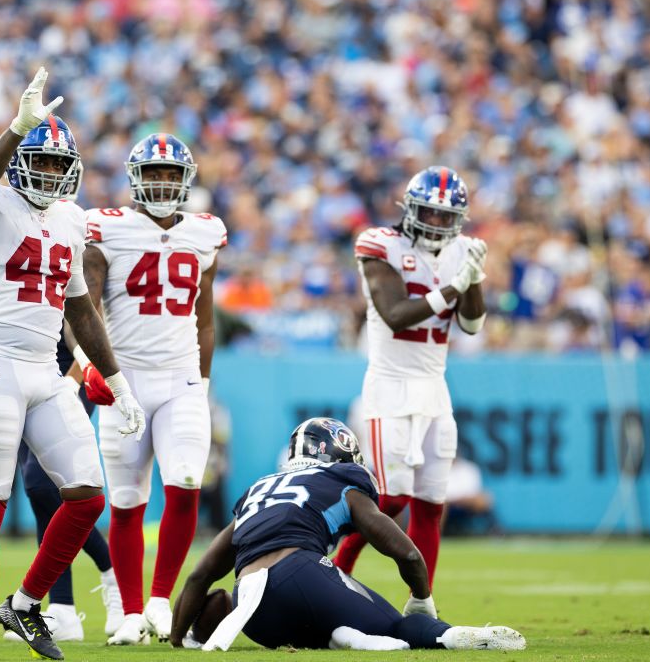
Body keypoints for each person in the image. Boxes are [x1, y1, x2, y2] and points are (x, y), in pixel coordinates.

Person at [0, 67, 146, 662]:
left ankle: (25, 605)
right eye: (43, 161)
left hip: (44, 370)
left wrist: (121, 385)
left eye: (61, 165)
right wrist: (14, 129)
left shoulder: (71, 219)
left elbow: (81, 310)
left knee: (86, 498)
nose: (53, 173)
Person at [168, 418, 525, 652]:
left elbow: (200, 575)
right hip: (301, 573)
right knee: (400, 627)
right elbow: (407, 552)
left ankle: (341, 636)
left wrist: (176, 639)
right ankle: (451, 636)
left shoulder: (257, 489)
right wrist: (422, 598)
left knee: (317, 626)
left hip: (255, 613)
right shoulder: (342, 481)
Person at [71, 132, 226, 645]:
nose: (162, 182)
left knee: (185, 483)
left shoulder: (205, 233)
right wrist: (88, 363)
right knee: (127, 498)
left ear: (185, 181)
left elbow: (205, 320)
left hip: (181, 378)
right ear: (135, 179)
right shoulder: (108, 229)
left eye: (170, 174)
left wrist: (202, 382)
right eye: (153, 173)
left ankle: (160, 600)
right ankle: (131, 611)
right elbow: (85, 303)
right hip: (127, 379)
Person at [332, 166, 488, 611]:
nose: (437, 224)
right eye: (430, 214)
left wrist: (472, 279)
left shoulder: (462, 252)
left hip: (434, 388)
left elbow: (472, 324)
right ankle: (338, 567)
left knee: (430, 503)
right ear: (411, 209)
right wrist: (453, 287)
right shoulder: (380, 244)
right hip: (390, 386)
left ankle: (422, 603)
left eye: (446, 216)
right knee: (392, 499)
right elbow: (396, 314)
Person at [1, 328, 125, 643]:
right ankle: (62, 609)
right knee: (40, 495)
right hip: (25, 374)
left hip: (69, 374)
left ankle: (113, 572)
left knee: (43, 484)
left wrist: (73, 380)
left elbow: (85, 323)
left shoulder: (69, 277)